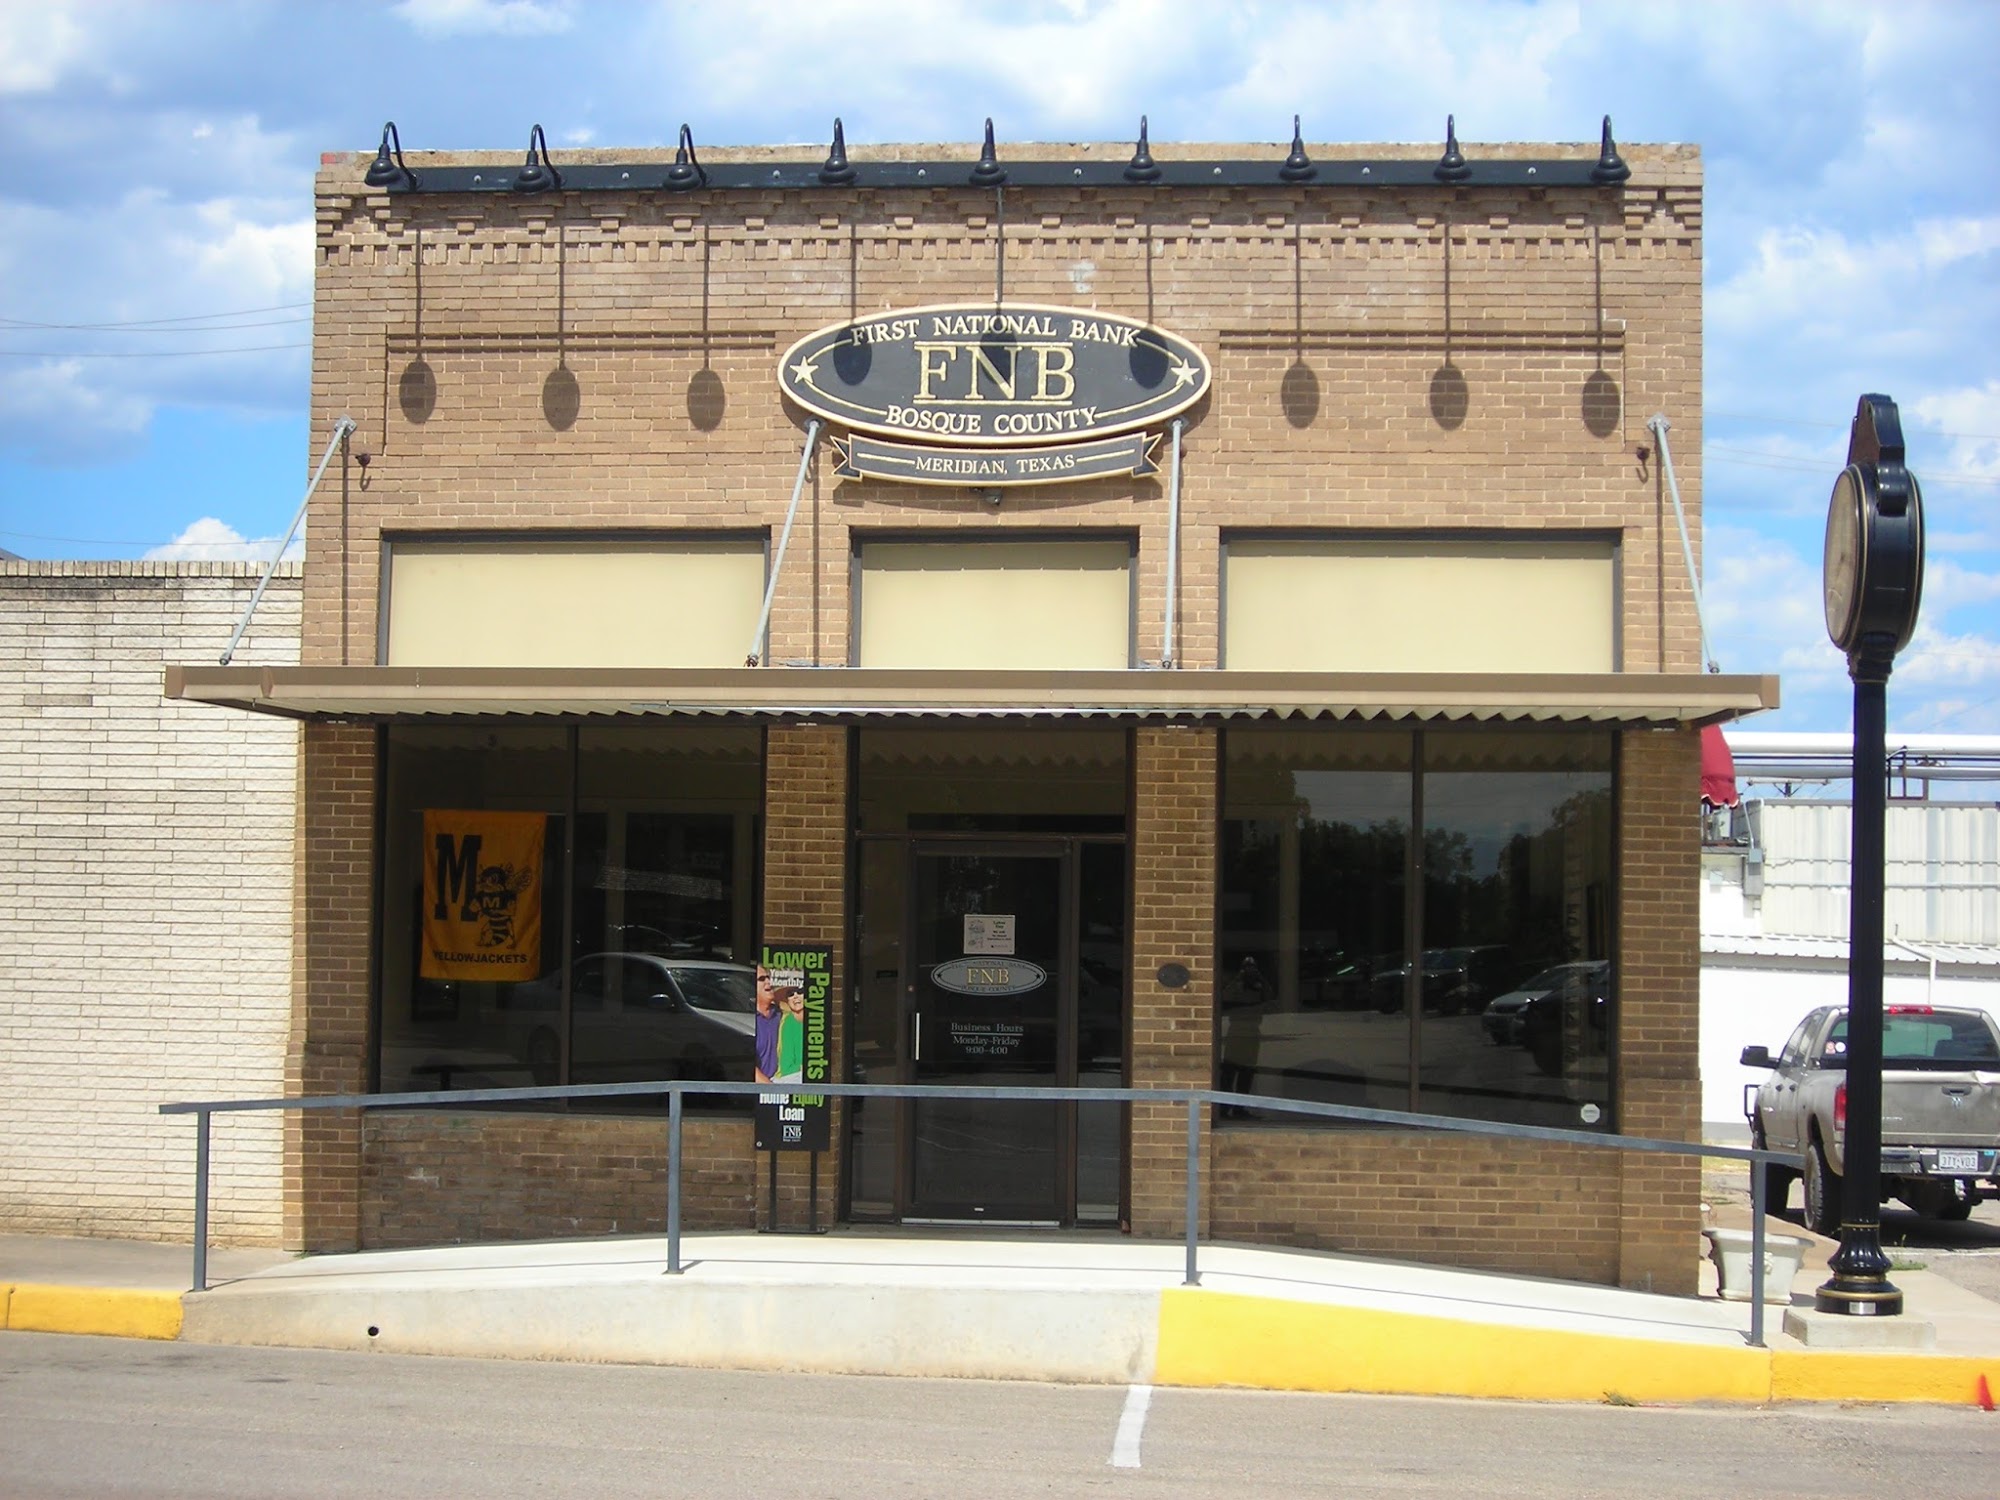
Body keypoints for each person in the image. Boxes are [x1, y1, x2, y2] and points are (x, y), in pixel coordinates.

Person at [1219, 955, 1267, 1118]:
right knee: (1229, 1071)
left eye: (1252, 968)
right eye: (1246, 968)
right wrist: (1238, 979)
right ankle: (1223, 1108)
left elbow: (1271, 996)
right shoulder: (1236, 986)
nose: (1249, 972)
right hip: (1236, 1031)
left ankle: (1240, 1109)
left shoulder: (1258, 985)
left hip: (1252, 1031)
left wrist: (1260, 978)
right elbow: (1224, 997)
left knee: (1247, 1072)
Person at [774, 978, 806, 1083]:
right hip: (791, 1077)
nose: (795, 996)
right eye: (791, 994)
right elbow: (786, 1067)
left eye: (800, 992)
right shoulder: (787, 1023)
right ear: (787, 1001)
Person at [753, 964, 780, 1085]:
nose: (768, 981)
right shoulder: (748, 1018)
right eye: (762, 979)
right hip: (761, 1088)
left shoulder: (782, 1015)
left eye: (769, 977)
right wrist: (770, 1088)